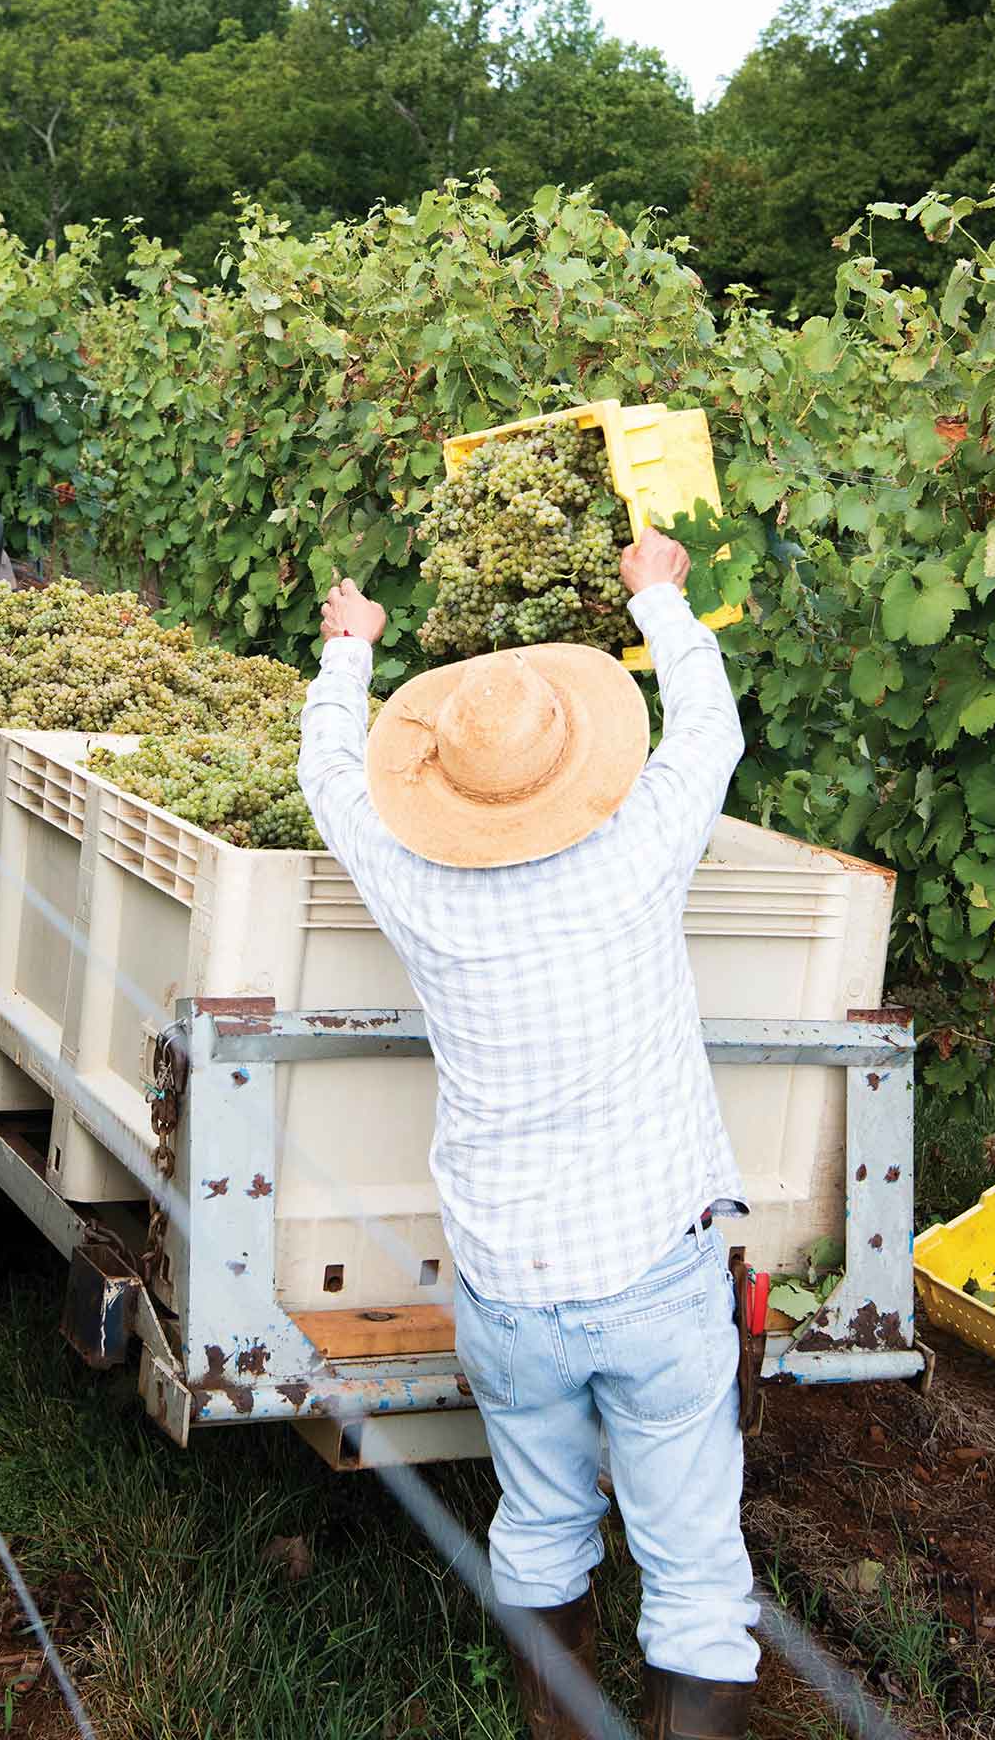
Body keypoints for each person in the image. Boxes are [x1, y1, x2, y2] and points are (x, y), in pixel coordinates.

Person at [297, 527, 758, 1740]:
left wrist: (348, 655)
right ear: (577, 763)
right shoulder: (637, 856)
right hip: (651, 1270)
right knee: (694, 1560)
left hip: (508, 1283)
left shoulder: (419, 886)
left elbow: (331, 783)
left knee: (541, 1523)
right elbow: (710, 734)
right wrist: (658, 602)